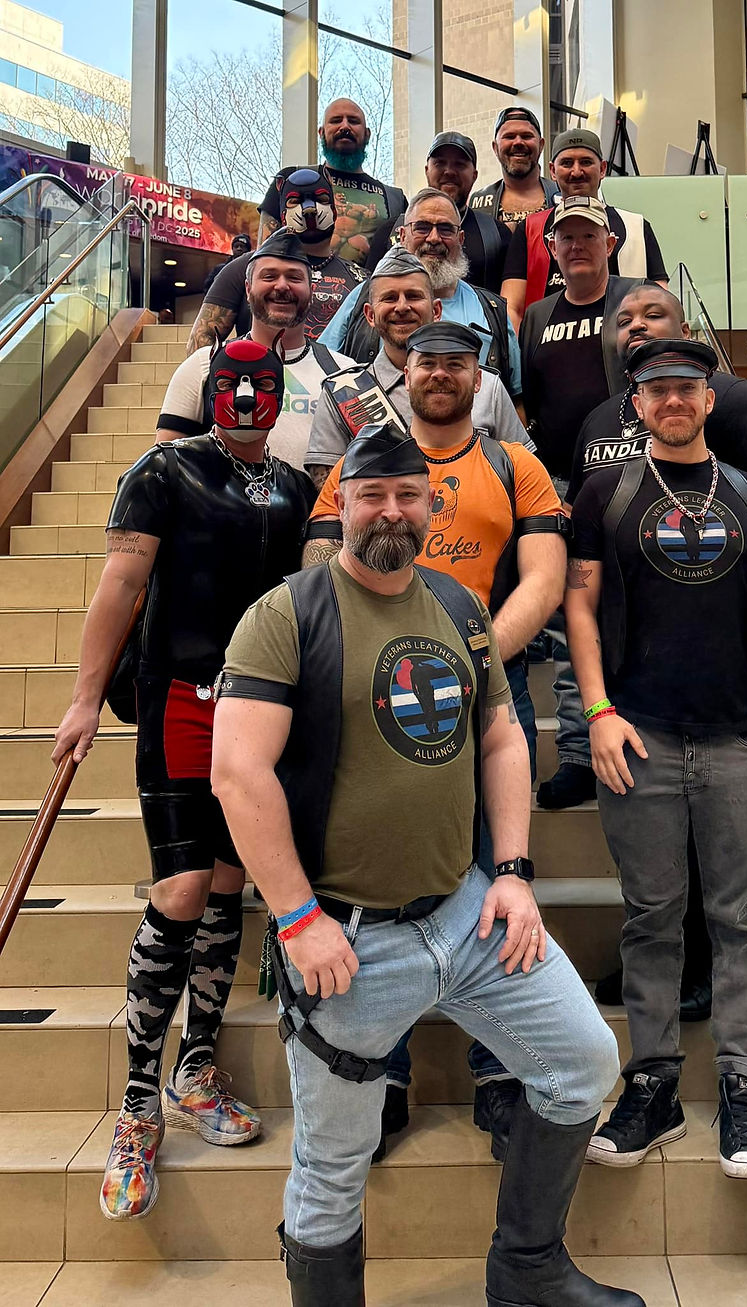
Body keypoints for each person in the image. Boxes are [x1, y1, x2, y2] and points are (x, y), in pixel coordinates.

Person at [210, 423, 641, 1307]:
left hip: (467, 913)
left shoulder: (455, 604)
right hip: (347, 942)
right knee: (333, 1165)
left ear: (432, 502)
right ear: (341, 502)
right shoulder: (287, 613)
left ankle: (527, 1269)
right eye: (372, 494)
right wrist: (295, 916)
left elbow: (500, 733)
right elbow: (236, 770)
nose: (392, 509)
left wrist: (515, 869)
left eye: (409, 493)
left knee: (586, 1065)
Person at [51, 338, 316, 1220]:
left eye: (263, 383)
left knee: (232, 884)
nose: (246, 396)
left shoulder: (295, 486)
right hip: (179, 701)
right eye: (231, 382)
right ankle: (136, 1103)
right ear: (209, 390)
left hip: (261, 708)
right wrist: (86, 698)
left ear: (282, 392)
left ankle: (196, 1065)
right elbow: (121, 586)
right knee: (181, 886)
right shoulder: (162, 470)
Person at [565, 337, 747, 1177]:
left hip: (735, 739)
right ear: (637, 405)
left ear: (710, 400)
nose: (674, 401)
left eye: (687, 388)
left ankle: (744, 1085)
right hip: (640, 734)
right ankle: (651, 1081)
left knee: (739, 921)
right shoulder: (604, 493)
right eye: (657, 391)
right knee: (651, 916)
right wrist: (599, 711)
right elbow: (579, 605)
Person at [306, 324, 566, 1159]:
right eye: (428, 362)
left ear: (479, 375)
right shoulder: (359, 463)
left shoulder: (512, 462)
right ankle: (381, 1068)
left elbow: (547, 577)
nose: (443, 374)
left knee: (496, 871)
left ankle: (499, 1071)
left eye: (459, 362)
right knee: (375, 878)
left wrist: (473, 654)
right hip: (370, 696)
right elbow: (320, 574)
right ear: (403, 370)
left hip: (486, 692)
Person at [570, 282, 747, 628]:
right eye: (623, 322)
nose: (637, 325)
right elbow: (577, 513)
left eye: (653, 315)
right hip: (617, 625)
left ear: (686, 331)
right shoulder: (598, 418)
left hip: (722, 618)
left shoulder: (734, 399)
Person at [520, 195, 643, 810]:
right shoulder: (537, 316)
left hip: (640, 477)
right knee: (575, 616)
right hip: (567, 486)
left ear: (610, 243)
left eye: (588, 236)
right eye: (564, 237)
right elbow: (530, 405)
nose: (575, 245)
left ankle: (644, 734)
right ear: (551, 248)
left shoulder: (635, 304)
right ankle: (576, 752)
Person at [303, 246, 528, 490]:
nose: (401, 307)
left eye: (413, 296)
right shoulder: (342, 393)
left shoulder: (487, 386)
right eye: (389, 298)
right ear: (369, 315)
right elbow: (328, 494)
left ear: (436, 311)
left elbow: (524, 479)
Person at [159, 232, 354, 471]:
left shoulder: (346, 374)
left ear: (311, 289)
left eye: (294, 277)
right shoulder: (202, 367)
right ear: (248, 289)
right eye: (269, 276)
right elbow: (165, 469)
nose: (282, 286)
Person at [322, 187, 521, 397]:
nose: (434, 238)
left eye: (445, 229)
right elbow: (322, 369)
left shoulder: (492, 310)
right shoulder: (364, 295)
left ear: (461, 239)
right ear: (402, 235)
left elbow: (516, 399)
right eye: (422, 227)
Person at [501, 127, 668, 330]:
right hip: (549, 353)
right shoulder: (529, 229)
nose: (577, 172)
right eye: (567, 163)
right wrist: (520, 356)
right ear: (552, 171)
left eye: (586, 162)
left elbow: (662, 304)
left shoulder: (636, 227)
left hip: (625, 353)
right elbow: (512, 308)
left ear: (603, 169)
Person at [187, 170, 366, 354]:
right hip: (258, 378)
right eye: (295, 202)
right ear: (282, 213)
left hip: (335, 378)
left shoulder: (360, 278)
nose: (310, 209)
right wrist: (225, 376)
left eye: (320, 199)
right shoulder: (246, 267)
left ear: (334, 210)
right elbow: (201, 338)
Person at [258, 98, 407, 262]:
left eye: (353, 121)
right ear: (321, 133)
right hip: (298, 284)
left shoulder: (395, 199)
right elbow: (263, 254)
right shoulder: (290, 180)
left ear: (367, 134)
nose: (344, 126)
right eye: (336, 121)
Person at [365, 131, 511, 292]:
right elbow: (372, 295)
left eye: (460, 164)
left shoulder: (497, 234)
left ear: (474, 175)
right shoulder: (388, 232)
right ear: (427, 170)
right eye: (440, 163)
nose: (449, 171)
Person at [469, 105, 559, 230]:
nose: (518, 142)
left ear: (541, 145)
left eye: (526, 136)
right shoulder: (477, 204)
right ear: (495, 148)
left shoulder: (562, 196)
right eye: (509, 137)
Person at [202, 232, 252, 298]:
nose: (239, 248)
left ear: (248, 250)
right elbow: (208, 288)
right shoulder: (220, 269)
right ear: (232, 249)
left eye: (242, 246)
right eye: (236, 246)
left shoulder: (252, 270)